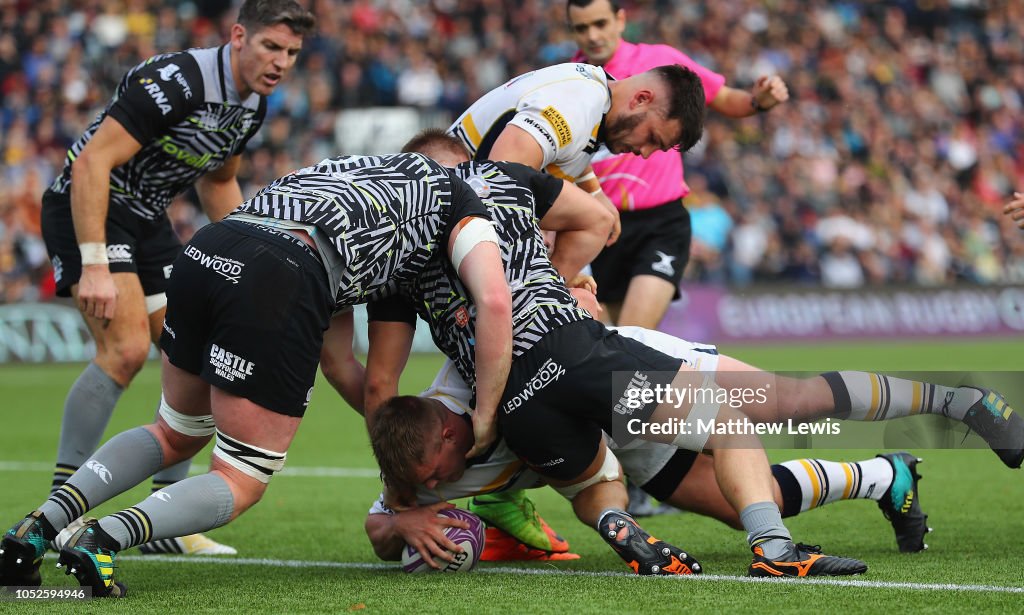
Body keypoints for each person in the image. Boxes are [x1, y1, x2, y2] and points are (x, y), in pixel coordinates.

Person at [0, 152, 515, 597]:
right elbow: (487, 304)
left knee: (174, 431)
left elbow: (336, 360)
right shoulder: (455, 206)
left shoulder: (366, 184)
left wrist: (407, 436)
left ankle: (37, 527)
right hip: (281, 271)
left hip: (210, 247)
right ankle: (104, 537)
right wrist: (482, 418)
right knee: (240, 476)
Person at [367, 132, 867, 578]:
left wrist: (562, 293)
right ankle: (862, 488)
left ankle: (906, 443)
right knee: (744, 466)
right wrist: (402, 512)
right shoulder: (488, 202)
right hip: (584, 392)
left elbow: (381, 382)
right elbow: (595, 222)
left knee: (782, 408)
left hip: (569, 384)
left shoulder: (433, 261)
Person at [36, 0, 315, 556]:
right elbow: (92, 162)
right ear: (238, 37)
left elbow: (218, 180)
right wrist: (94, 264)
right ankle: (59, 508)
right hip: (89, 208)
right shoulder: (178, 79)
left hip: (146, 220)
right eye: (270, 47)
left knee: (200, 349)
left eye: (291, 53)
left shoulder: (252, 105)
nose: (281, 62)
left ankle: (167, 520)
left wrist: (255, 252)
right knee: (126, 349)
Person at [444, 59, 706, 549]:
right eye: (652, 138)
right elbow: (505, 174)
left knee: (531, 365)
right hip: (445, 230)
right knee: (538, 357)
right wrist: (547, 287)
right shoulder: (577, 101)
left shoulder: (587, 104)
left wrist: (587, 239)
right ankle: (429, 499)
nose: (645, 153)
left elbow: (563, 169)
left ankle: (490, 487)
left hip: (454, 230)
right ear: (642, 99)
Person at [318, 129, 613, 559]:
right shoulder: (412, 256)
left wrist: (562, 291)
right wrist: (400, 503)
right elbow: (373, 383)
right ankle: (506, 505)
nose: (463, 194)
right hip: (514, 401)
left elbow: (373, 379)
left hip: (560, 374)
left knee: (702, 428)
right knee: (678, 437)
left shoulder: (498, 196)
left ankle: (741, 504)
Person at [363, 355, 928, 570]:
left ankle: (946, 401)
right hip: (603, 441)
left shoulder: (485, 369)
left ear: (447, 430)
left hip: (622, 383)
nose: (438, 486)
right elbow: (378, 528)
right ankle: (885, 475)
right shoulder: (413, 457)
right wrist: (402, 519)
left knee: (782, 406)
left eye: (435, 472)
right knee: (742, 504)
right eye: (425, 485)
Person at [565, 0, 789, 516]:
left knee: (631, 341)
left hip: (659, 222)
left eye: (601, 23)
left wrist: (757, 102)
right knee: (610, 356)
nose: (594, 35)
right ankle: (649, 456)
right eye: (582, 27)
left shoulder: (658, 63)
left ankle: (660, 463)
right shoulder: (575, 80)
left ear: (621, 19)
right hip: (599, 231)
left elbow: (722, 98)